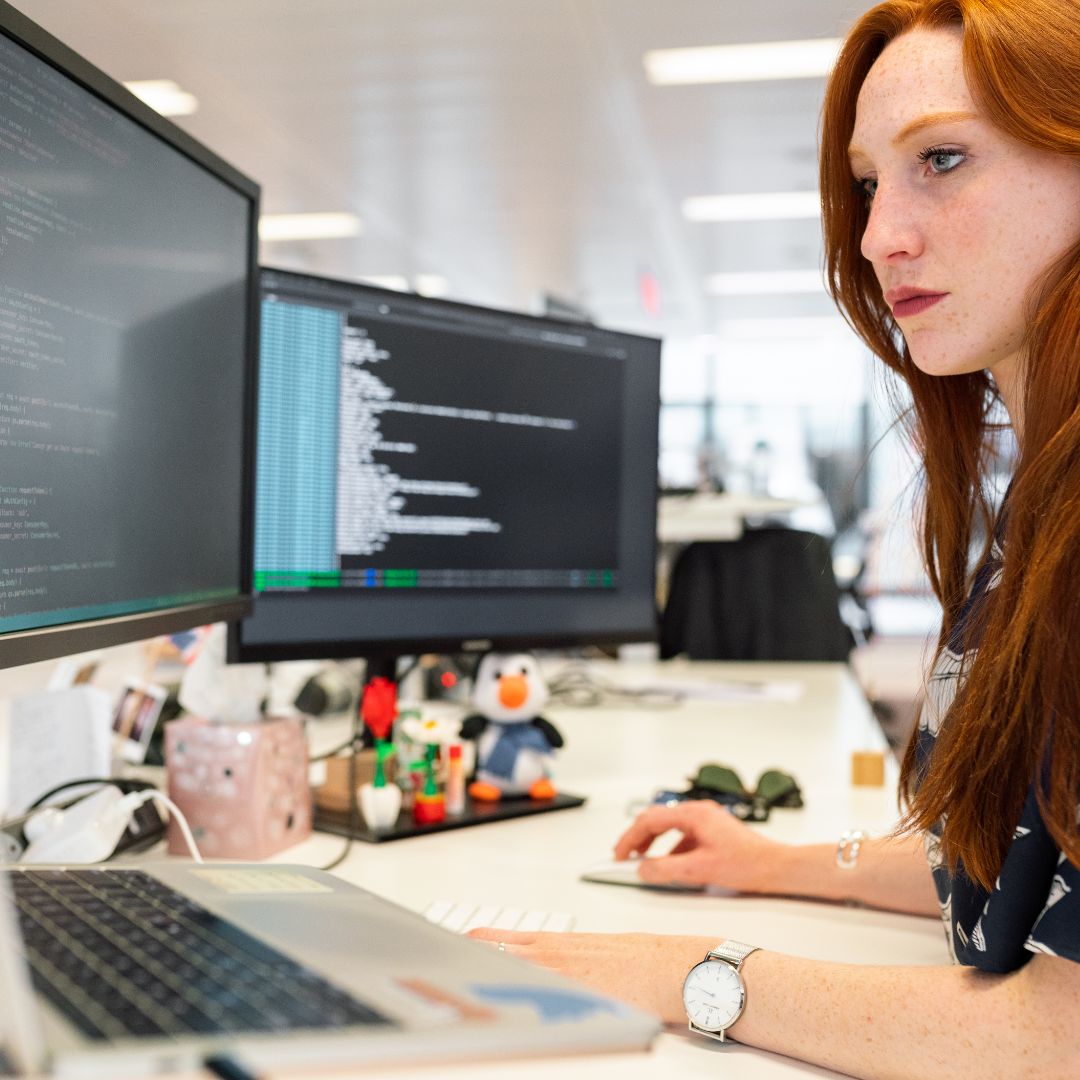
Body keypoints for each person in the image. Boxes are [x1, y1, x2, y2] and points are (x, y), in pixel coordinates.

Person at [470, 1, 1080, 1074]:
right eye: (866, 183)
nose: (878, 233)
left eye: (943, 158)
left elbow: (1060, 1032)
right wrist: (776, 861)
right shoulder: (1037, 519)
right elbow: (1023, 877)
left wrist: (684, 974)